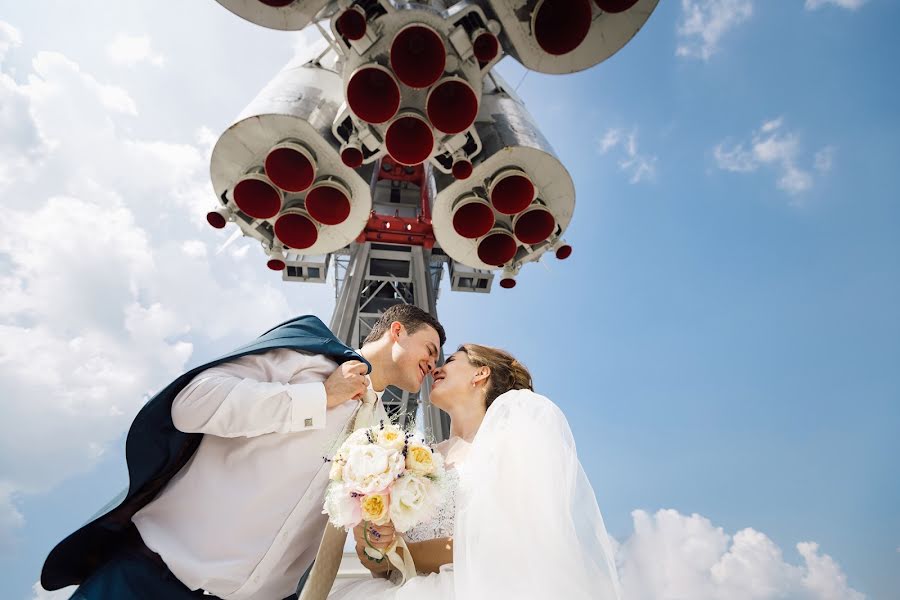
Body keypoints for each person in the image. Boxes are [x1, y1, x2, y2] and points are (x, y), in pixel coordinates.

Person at [40, 304, 446, 600]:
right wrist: (318, 397)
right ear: (397, 331)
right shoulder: (308, 356)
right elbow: (192, 403)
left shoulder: (383, 440)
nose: (434, 362)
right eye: (430, 348)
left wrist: (375, 534)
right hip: (151, 578)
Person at [327, 345, 621, 600]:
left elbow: (507, 543)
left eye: (451, 360)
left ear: (480, 374)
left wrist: (399, 551)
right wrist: (374, 544)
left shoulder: (511, 446)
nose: (436, 369)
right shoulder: (413, 457)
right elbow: (378, 563)